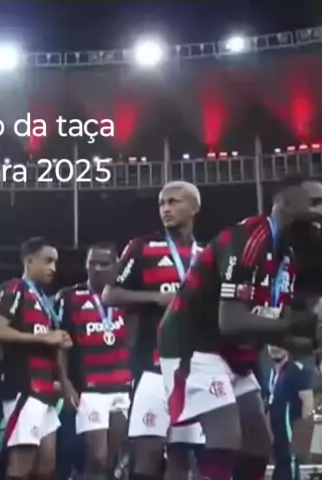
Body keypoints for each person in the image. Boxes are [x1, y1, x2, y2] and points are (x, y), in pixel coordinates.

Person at [157, 175, 322, 480]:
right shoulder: (247, 240)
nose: (321, 211)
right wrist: (308, 323)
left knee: (258, 447)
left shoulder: (286, 254)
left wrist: (309, 341)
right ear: (285, 204)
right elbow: (231, 321)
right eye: (315, 203)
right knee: (225, 440)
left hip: (231, 353)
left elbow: (270, 319)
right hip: (192, 344)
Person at [102, 181, 204, 480]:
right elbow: (110, 294)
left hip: (194, 368)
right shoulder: (141, 247)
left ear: (194, 207)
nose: (166, 209)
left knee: (182, 456)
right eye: (162, 203)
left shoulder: (205, 254)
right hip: (152, 365)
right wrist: (156, 298)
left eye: (174, 202)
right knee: (147, 452)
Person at [0, 237, 72, 480]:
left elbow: (48, 342)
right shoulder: (15, 288)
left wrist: (64, 379)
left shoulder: (44, 300)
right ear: (28, 261)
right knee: (21, 466)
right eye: (47, 261)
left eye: (55, 262)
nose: (53, 268)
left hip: (46, 391)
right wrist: (44, 338)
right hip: (24, 387)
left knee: (47, 466)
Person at [57, 243, 131, 480]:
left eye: (104, 263)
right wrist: (65, 383)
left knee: (112, 459)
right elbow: (61, 344)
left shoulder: (126, 297)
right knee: (97, 457)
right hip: (89, 390)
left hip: (122, 387)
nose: (97, 268)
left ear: (116, 266)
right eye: (92, 263)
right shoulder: (70, 297)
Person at [266, 345, 314, 480]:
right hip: (275, 431)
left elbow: (307, 401)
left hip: (290, 429)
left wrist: (302, 432)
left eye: (278, 344)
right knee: (280, 463)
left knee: (289, 463)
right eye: (271, 345)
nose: (275, 348)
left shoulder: (297, 370)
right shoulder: (269, 371)